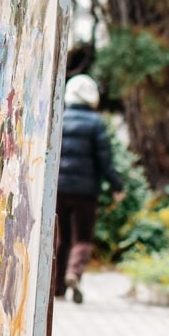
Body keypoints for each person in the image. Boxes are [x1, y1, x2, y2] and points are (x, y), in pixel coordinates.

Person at [54, 74, 123, 304]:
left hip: (59, 189)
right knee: (82, 237)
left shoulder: (59, 119)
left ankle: (58, 287)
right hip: (85, 191)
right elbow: (105, 160)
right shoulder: (95, 123)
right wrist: (117, 185)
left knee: (61, 237)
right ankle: (73, 272)